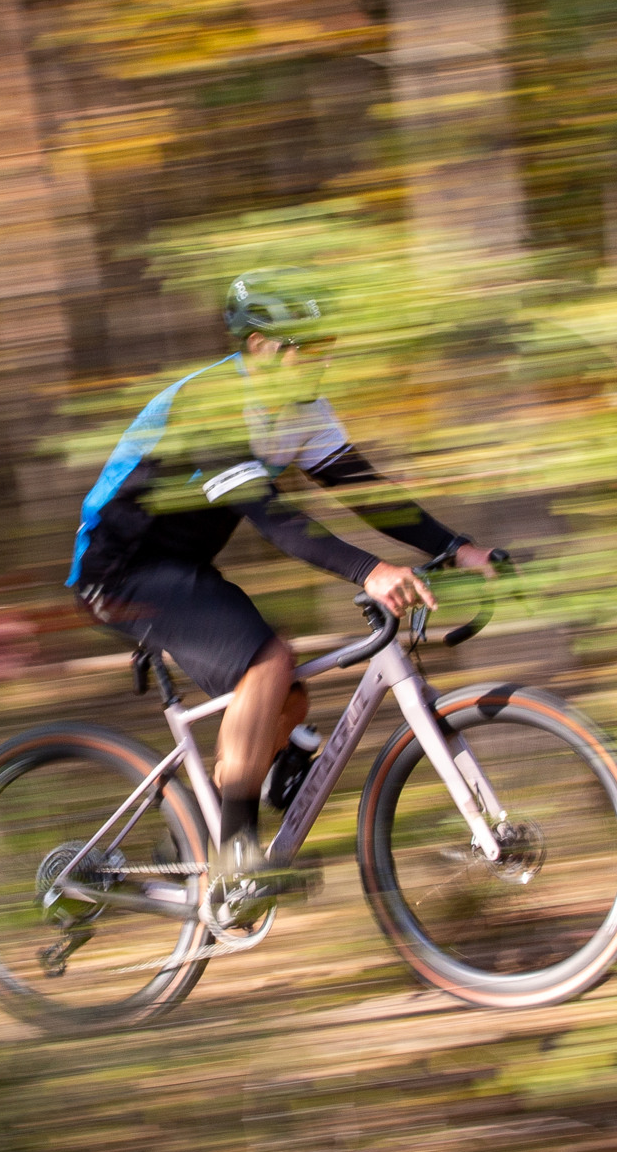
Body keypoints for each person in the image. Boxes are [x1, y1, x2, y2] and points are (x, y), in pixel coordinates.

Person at [68, 271, 496, 898]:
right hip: (118, 571)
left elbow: (367, 492)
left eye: (326, 345)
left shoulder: (302, 410)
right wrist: (370, 571)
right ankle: (236, 858)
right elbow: (274, 520)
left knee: (285, 694)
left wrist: (456, 547)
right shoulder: (212, 405)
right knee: (265, 661)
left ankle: (191, 849)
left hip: (180, 567)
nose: (320, 358)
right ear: (261, 347)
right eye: (306, 346)